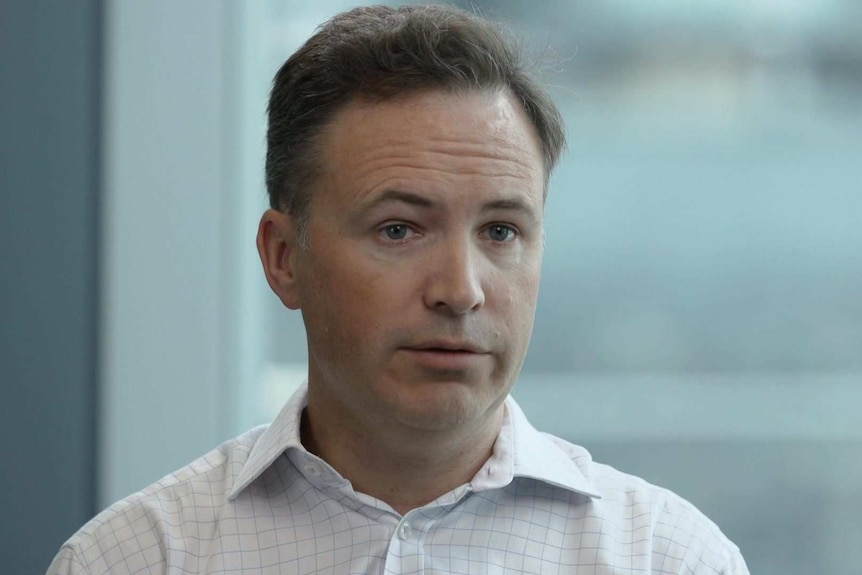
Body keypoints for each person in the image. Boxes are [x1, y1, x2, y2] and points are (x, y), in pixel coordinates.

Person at [48, 4, 748, 574]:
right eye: (399, 230)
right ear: (284, 257)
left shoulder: (670, 559)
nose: (461, 290)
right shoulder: (135, 558)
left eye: (501, 232)